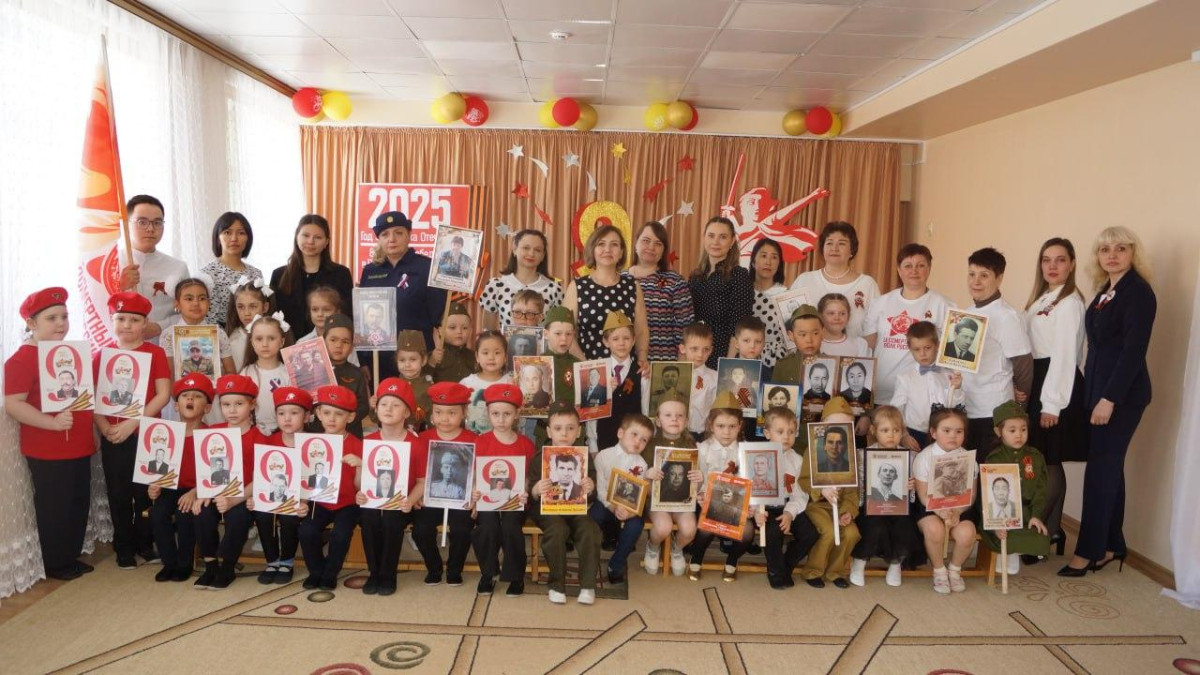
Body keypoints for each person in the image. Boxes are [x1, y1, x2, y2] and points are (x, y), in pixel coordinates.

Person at [1061, 226, 1155, 577]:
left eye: (1120, 248)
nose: (1112, 255)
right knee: (1109, 468)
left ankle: (1088, 551)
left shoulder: (1138, 293)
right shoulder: (1107, 291)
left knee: (1100, 472)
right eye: (1105, 249)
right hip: (1098, 392)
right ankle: (1113, 544)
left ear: (1133, 253)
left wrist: (1109, 399)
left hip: (1121, 397)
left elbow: (1133, 352)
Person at [4, 288, 97, 580]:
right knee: (55, 505)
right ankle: (56, 562)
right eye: (52, 318)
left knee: (78, 501)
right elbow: (13, 404)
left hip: (78, 444)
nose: (61, 323)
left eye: (64, 317)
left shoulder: (68, 354)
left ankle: (70, 555)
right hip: (48, 447)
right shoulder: (22, 359)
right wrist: (51, 423)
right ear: (31, 323)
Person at [93, 291, 172, 568]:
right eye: (121, 318)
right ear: (112, 320)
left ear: (145, 323)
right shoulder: (101, 355)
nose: (127, 325)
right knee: (119, 493)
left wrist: (133, 422)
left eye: (134, 320)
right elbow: (94, 397)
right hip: (114, 435)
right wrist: (105, 427)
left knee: (146, 492)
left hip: (148, 434)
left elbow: (163, 394)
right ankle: (123, 546)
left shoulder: (155, 353)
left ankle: (145, 542)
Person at [1024, 238, 1087, 558]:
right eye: (1046, 259)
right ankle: (1053, 530)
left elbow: (1065, 355)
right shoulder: (1044, 298)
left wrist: (1052, 404)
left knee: (1047, 462)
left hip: (1055, 387)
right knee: (1049, 460)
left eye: (1060, 260)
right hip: (1040, 380)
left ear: (1072, 264)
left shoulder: (1070, 302)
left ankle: (1038, 535)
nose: (1052, 266)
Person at [193, 374, 267, 589]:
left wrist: (234, 500)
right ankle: (210, 565)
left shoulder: (260, 438)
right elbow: (205, 468)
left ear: (252, 405)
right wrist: (203, 492)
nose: (232, 410)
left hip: (245, 495)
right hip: (216, 491)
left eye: (239, 404)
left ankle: (227, 566)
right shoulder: (212, 433)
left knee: (238, 517)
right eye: (226, 404)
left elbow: (261, 477)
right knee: (201, 512)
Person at [960, 248, 1034, 452]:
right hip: (966, 408)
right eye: (972, 274)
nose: (976, 281)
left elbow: (1023, 364)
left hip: (994, 411)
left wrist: (1019, 408)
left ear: (999, 278)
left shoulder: (1006, 316)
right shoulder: (966, 313)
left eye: (984, 275)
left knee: (992, 469)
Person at [863, 244, 953, 403]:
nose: (914, 271)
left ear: (929, 269)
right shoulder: (880, 303)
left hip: (921, 397)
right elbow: (867, 348)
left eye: (920, 265)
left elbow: (952, 355)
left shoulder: (945, 305)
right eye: (908, 266)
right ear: (899, 270)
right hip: (880, 396)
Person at [356, 378, 419, 596]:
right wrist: (360, 492)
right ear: (376, 408)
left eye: (395, 404)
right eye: (383, 404)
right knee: (368, 517)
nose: (388, 409)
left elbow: (422, 481)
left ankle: (388, 574)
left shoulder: (415, 443)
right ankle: (374, 572)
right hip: (374, 500)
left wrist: (410, 500)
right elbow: (361, 482)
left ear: (407, 412)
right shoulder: (369, 442)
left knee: (392, 520)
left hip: (403, 502)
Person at [471, 383, 534, 596]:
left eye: (507, 414)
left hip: (515, 500)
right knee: (487, 526)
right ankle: (487, 573)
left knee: (510, 526)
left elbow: (528, 476)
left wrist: (525, 491)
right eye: (495, 414)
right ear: (488, 414)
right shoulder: (480, 442)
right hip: (486, 499)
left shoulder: (526, 444)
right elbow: (475, 474)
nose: (501, 419)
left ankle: (516, 576)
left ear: (517, 414)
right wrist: (474, 493)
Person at [534, 403, 602, 604]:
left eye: (570, 428)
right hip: (547, 511)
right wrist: (536, 489)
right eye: (558, 428)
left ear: (578, 431)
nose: (564, 433)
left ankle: (588, 585)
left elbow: (592, 493)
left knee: (590, 530)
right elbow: (529, 492)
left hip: (575, 509)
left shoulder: (584, 457)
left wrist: (590, 488)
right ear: (549, 431)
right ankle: (557, 585)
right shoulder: (540, 458)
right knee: (557, 530)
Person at [297, 385, 363, 590]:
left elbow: (360, 487)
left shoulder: (358, 445)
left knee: (341, 534)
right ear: (318, 413)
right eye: (326, 413)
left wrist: (360, 465)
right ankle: (316, 571)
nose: (331, 419)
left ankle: (331, 572)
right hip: (319, 500)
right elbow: (304, 476)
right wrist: (303, 501)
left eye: (339, 414)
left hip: (348, 503)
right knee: (306, 530)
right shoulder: (310, 443)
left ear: (350, 417)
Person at [411, 382, 477, 585]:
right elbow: (414, 472)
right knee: (421, 529)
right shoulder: (421, 439)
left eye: (452, 413)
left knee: (462, 529)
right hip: (429, 498)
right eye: (439, 412)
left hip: (460, 499)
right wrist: (415, 495)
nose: (445, 418)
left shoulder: (474, 441)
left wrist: (476, 497)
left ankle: (455, 569)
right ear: (432, 413)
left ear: (464, 413)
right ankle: (434, 567)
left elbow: (477, 474)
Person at [147, 374, 211, 583]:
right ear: (176, 406)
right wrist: (155, 485)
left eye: (197, 396)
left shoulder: (211, 437)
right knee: (157, 513)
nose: (190, 399)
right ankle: (169, 562)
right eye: (185, 396)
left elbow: (216, 475)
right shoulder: (166, 435)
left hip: (198, 491)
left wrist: (196, 491)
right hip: (171, 488)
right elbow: (157, 469)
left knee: (184, 514)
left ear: (207, 408)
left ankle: (184, 564)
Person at [849, 406, 921, 588]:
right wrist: (865, 493)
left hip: (898, 506)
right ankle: (859, 561)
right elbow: (858, 488)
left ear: (902, 432)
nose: (891, 435)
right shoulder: (862, 455)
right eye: (885, 430)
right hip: (870, 506)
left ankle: (896, 564)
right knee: (874, 524)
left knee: (905, 524)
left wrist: (912, 487)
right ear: (874, 430)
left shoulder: (910, 457)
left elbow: (912, 495)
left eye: (896, 430)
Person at [251, 386, 313, 585]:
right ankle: (271, 561)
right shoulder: (269, 442)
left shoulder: (313, 444)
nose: (287, 418)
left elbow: (316, 478)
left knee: (289, 515)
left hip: (304, 497)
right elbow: (261, 474)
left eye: (294, 413)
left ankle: (286, 561)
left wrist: (304, 501)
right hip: (273, 494)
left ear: (306, 416)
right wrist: (255, 496)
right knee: (262, 513)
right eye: (281, 413)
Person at [913, 406, 978, 594]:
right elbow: (922, 495)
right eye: (946, 430)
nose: (953, 436)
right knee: (935, 530)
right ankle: (939, 570)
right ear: (933, 432)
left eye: (959, 431)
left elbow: (971, 494)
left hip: (960, 506)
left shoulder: (969, 459)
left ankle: (955, 570)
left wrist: (957, 512)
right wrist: (940, 511)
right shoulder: (924, 458)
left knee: (967, 533)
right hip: (929, 506)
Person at [564, 225, 650, 361]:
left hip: (626, 369)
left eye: (614, 244)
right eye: (601, 244)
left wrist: (642, 358)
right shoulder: (577, 286)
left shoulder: (633, 286)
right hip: (586, 366)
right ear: (593, 249)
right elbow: (567, 333)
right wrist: (587, 367)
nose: (607, 249)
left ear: (621, 252)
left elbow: (641, 331)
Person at [757, 406, 820, 589]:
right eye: (780, 432)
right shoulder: (756, 456)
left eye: (791, 432)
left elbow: (800, 494)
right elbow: (748, 490)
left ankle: (787, 564)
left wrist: (790, 513)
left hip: (788, 505)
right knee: (773, 532)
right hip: (764, 508)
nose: (786, 436)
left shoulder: (798, 461)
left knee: (810, 534)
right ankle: (775, 572)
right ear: (767, 433)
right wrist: (755, 512)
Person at [801, 398, 861, 589]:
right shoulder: (812, 451)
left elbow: (852, 491)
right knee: (827, 531)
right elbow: (803, 480)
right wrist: (821, 489)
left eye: (845, 426)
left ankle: (836, 571)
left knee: (851, 533)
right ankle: (813, 571)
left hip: (840, 505)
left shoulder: (851, 457)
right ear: (822, 426)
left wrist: (848, 511)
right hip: (817, 505)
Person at [986, 401, 1051, 575]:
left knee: (1041, 538)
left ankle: (1013, 551)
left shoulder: (1035, 457)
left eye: (1023, 429)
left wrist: (1036, 515)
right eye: (1012, 430)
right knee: (1002, 534)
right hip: (999, 515)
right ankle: (1005, 552)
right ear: (999, 432)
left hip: (1026, 513)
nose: (1019, 435)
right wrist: (995, 523)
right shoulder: (994, 459)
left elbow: (1041, 491)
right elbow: (987, 495)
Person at [690, 395, 750, 581]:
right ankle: (696, 558)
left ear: (740, 426)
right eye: (721, 426)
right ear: (711, 425)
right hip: (707, 501)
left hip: (735, 503)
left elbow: (749, 480)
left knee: (747, 531)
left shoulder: (745, 451)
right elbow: (696, 478)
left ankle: (732, 561)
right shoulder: (702, 449)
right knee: (706, 527)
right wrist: (700, 493)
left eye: (732, 426)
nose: (726, 432)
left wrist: (748, 504)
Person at [115, 195, 190, 339]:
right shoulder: (111, 264)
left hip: (163, 344)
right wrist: (119, 286)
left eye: (157, 223)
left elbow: (190, 312)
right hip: (119, 347)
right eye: (142, 222)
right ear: (127, 224)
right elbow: (94, 308)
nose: (150, 229)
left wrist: (159, 327)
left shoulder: (178, 267)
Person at [788, 221, 880, 339]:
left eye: (841, 243)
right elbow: (789, 322)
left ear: (852, 250)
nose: (834, 248)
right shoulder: (804, 280)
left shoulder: (867, 284)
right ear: (822, 249)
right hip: (809, 351)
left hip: (855, 350)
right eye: (829, 243)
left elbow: (874, 330)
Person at [269, 214, 354, 340]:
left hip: (329, 344)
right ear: (297, 237)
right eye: (305, 235)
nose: (310, 241)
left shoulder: (341, 274)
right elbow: (272, 317)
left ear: (326, 242)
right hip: (288, 344)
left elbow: (347, 316)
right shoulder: (279, 275)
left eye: (317, 237)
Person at [688, 217, 754, 369]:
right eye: (711, 236)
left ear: (732, 241)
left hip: (723, 354)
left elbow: (739, 326)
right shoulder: (695, 277)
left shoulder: (738, 275)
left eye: (723, 237)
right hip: (697, 354)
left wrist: (727, 365)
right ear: (704, 238)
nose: (716, 242)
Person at [624, 221, 694, 361]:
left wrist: (681, 365)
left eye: (658, 243)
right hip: (624, 362)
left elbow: (686, 330)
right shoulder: (620, 280)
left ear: (663, 251)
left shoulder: (675, 281)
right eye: (646, 241)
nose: (651, 247)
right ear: (636, 243)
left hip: (663, 364)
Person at [890, 321, 965, 449]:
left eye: (927, 348)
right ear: (910, 349)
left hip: (945, 435)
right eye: (917, 349)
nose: (922, 354)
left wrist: (957, 389)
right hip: (914, 435)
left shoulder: (949, 374)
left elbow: (955, 407)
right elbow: (896, 411)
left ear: (937, 345)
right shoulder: (904, 378)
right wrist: (903, 435)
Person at [480, 229, 564, 332]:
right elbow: (488, 330)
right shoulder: (496, 285)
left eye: (537, 250)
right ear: (514, 249)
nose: (531, 254)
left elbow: (559, 330)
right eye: (526, 248)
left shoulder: (554, 289)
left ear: (543, 256)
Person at [593, 311, 643, 452]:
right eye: (615, 339)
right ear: (606, 342)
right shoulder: (597, 370)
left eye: (626, 338)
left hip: (634, 443)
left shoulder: (641, 372)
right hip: (604, 441)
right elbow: (591, 413)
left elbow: (645, 410)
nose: (621, 343)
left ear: (634, 340)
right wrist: (592, 444)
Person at [201, 212, 261, 327]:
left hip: (254, 334)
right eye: (227, 232)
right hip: (220, 334)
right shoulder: (207, 273)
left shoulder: (256, 274)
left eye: (241, 233)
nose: (234, 238)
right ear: (218, 238)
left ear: (248, 238)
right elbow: (208, 319)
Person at [239, 312, 293, 435]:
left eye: (271, 338)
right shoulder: (246, 373)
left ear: (282, 341)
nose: (265, 344)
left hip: (284, 433)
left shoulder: (289, 373)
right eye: (259, 339)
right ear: (252, 342)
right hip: (252, 432)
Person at [749, 239, 793, 368]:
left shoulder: (785, 294)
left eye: (774, 257)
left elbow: (793, 335)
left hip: (777, 361)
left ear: (779, 264)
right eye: (763, 256)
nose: (768, 262)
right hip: (746, 358)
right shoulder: (742, 292)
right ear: (753, 262)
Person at [324, 314, 370, 437]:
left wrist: (346, 419)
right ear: (323, 341)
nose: (338, 345)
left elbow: (364, 406)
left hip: (349, 434)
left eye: (345, 342)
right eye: (333, 340)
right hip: (319, 434)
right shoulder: (313, 371)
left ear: (352, 347)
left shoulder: (357, 374)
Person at [459, 331, 510, 435]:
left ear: (505, 357)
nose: (491, 357)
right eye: (485, 353)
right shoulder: (466, 383)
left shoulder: (510, 382)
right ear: (477, 356)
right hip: (472, 439)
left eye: (497, 353)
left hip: (501, 440)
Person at [225, 277, 272, 372]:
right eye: (241, 307)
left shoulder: (275, 334)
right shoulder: (232, 340)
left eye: (253, 306)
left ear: (265, 307)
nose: (246, 313)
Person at [680, 323, 718, 440]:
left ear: (711, 350)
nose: (700, 354)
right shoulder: (674, 374)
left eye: (705, 349)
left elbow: (716, 410)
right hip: (676, 433)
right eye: (694, 349)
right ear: (683, 348)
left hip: (703, 435)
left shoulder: (715, 377)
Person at [429, 302, 477, 383]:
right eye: (452, 327)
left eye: (465, 328)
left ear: (470, 331)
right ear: (440, 331)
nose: (459, 331)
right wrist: (431, 363)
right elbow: (423, 380)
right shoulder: (434, 356)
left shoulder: (475, 357)